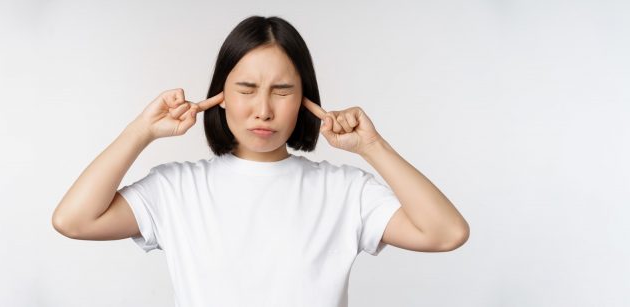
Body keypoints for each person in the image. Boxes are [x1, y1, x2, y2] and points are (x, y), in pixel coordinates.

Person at [52, 15, 469, 307]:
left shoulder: (345, 190)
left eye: (282, 91)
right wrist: (141, 130)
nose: (263, 110)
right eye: (247, 89)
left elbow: (446, 233)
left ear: (306, 99)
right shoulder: (177, 189)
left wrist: (372, 146)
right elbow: (74, 220)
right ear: (220, 96)